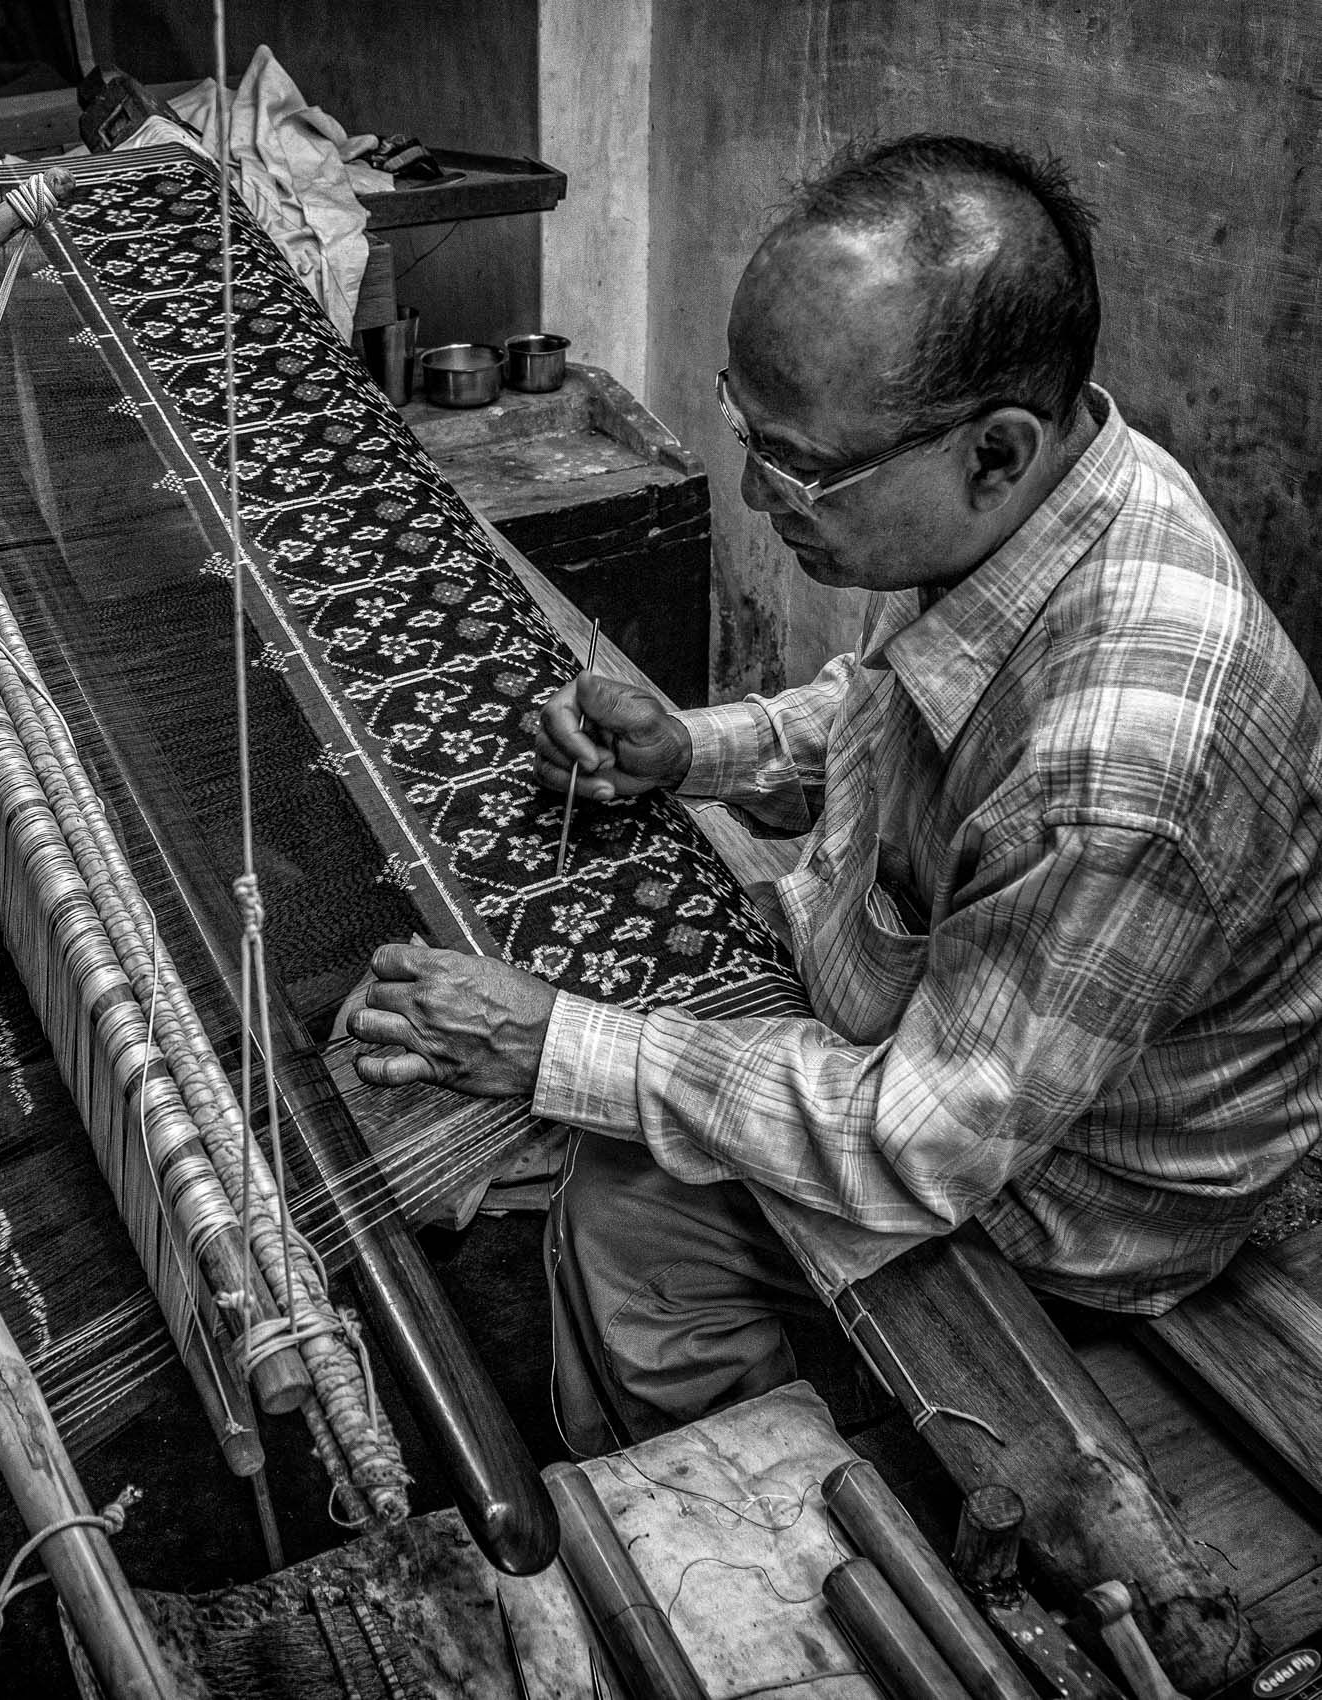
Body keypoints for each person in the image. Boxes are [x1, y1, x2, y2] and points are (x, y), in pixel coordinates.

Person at [346, 133, 1322, 1448]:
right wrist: (694, 751)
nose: (754, 492)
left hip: (1077, 1188)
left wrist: (553, 1043)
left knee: (631, 1223)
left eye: (798, 466)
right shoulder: (1059, 488)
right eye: (748, 433)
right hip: (951, 1019)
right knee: (482, 1064)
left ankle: (749, 1504)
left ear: (994, 450)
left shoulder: (1125, 757)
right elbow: (903, 702)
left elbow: (928, 1141)